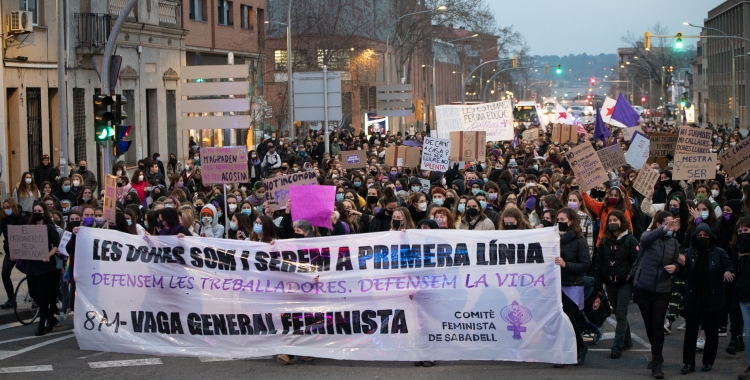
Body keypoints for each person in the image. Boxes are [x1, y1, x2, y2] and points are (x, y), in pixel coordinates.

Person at [678, 222, 733, 374]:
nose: (702, 238)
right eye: (699, 236)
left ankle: (708, 361)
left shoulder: (719, 253)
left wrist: (727, 271)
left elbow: (729, 266)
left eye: (705, 236)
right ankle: (688, 363)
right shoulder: (689, 252)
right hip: (693, 297)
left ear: (710, 238)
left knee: (711, 332)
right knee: (690, 332)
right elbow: (683, 274)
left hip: (712, 298)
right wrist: (681, 265)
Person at [632, 211, 680, 379]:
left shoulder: (673, 243)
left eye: (672, 224)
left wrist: (675, 267)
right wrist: (662, 230)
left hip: (662, 288)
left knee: (658, 323)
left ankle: (657, 362)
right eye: (666, 224)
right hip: (643, 287)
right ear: (659, 225)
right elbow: (644, 240)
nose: (670, 227)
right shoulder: (648, 236)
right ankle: (655, 353)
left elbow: (675, 262)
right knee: (650, 324)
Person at [594, 210, 638, 359]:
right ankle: (627, 341)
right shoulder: (604, 242)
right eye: (610, 220)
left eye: (615, 220)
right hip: (609, 283)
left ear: (622, 222)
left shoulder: (630, 240)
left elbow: (636, 262)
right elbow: (598, 264)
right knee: (620, 314)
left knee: (620, 313)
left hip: (625, 282)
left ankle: (617, 346)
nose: (613, 223)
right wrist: (598, 285)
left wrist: (630, 277)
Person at [554, 207, 590, 368]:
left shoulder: (579, 241)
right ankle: (564, 353)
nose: (559, 223)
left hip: (572, 285)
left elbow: (584, 265)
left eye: (562, 220)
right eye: (558, 220)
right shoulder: (555, 239)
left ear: (571, 221)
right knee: (559, 321)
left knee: (568, 319)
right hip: (556, 285)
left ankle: (580, 346)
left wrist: (565, 264)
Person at [25, 202, 62, 336]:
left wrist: (48, 255)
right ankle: (50, 318)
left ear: (44, 212)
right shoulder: (29, 227)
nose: (37, 213)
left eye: (39, 210)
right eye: (34, 210)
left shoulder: (49, 228)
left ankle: (42, 324)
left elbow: (55, 245)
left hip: (45, 267)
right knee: (34, 293)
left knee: (43, 295)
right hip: (32, 266)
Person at [0, 198, 28, 309]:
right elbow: (7, 238)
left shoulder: (22, 219)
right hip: (10, 251)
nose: (6, 210)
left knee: (31, 274)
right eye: (4, 208)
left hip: (24, 250)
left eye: (8, 207)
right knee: (4, 273)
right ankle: (11, 299)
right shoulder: (4, 220)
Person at [734, 216, 750, 379]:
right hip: (743, 295)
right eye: (740, 231)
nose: (742, 233)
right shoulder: (736, 249)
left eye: (746, 230)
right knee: (749, 332)